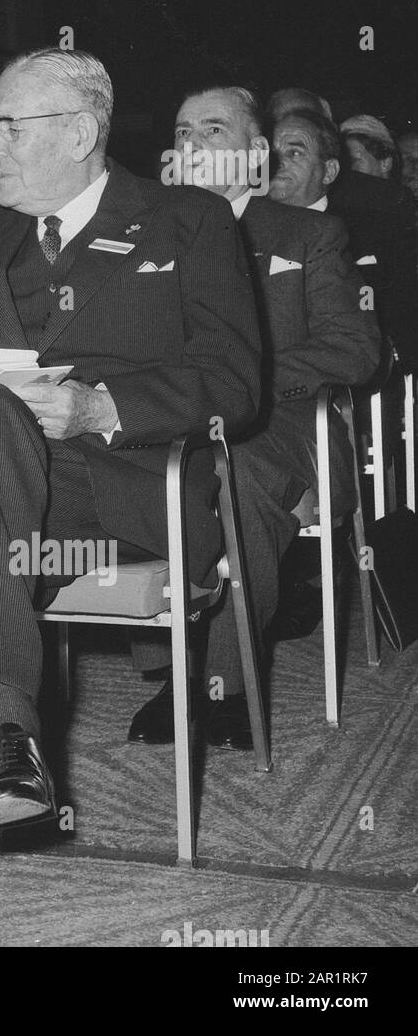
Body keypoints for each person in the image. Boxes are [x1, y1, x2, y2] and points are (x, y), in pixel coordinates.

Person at [0, 49, 261, 947]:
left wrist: (101, 406)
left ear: (80, 131)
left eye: (8, 124)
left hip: (126, 485)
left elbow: (236, 380)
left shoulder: (188, 219)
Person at [126, 88, 379, 748]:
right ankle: (172, 666)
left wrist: (243, 378)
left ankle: (221, 682)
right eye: (183, 131)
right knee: (131, 468)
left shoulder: (307, 233)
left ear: (254, 151)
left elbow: (355, 348)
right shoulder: (148, 237)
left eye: (213, 128)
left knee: (232, 475)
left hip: (280, 425)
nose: (193, 143)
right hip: (176, 418)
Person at [270, 110, 418, 372]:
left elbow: (403, 322)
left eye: (294, 152)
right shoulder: (244, 231)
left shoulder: (377, 233)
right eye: (272, 153)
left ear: (329, 171)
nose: (278, 163)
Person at [339, 114, 401, 184]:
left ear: (385, 163)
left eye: (355, 161)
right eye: (344, 162)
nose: (347, 168)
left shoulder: (401, 194)